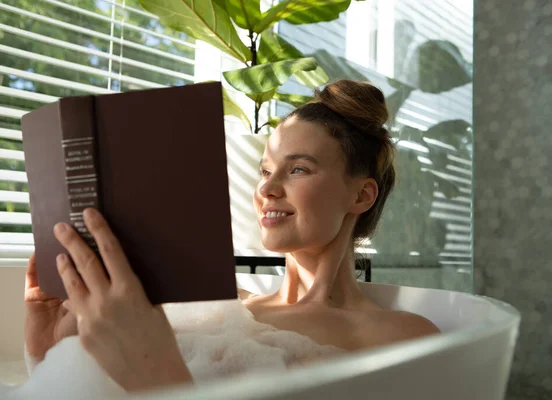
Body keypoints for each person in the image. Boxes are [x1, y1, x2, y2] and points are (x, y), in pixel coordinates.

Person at [24, 80, 440, 393]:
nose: (266, 189)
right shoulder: (220, 309)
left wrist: (156, 374)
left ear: (361, 195)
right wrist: (45, 352)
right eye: (265, 171)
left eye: (297, 169)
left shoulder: (401, 337)